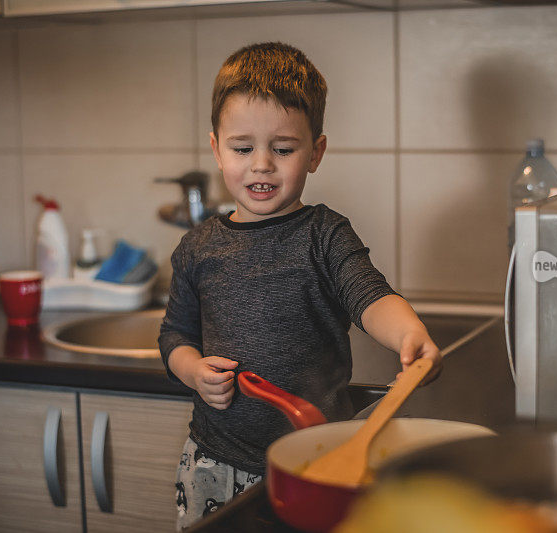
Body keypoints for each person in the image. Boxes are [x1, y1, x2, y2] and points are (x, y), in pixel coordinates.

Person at [159, 41, 441, 530]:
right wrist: (192, 371)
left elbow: (370, 296)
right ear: (215, 149)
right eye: (242, 148)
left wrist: (408, 334)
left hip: (316, 462)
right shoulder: (196, 247)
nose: (262, 164)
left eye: (283, 149)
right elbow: (174, 336)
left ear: (316, 153)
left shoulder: (325, 235)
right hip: (213, 462)